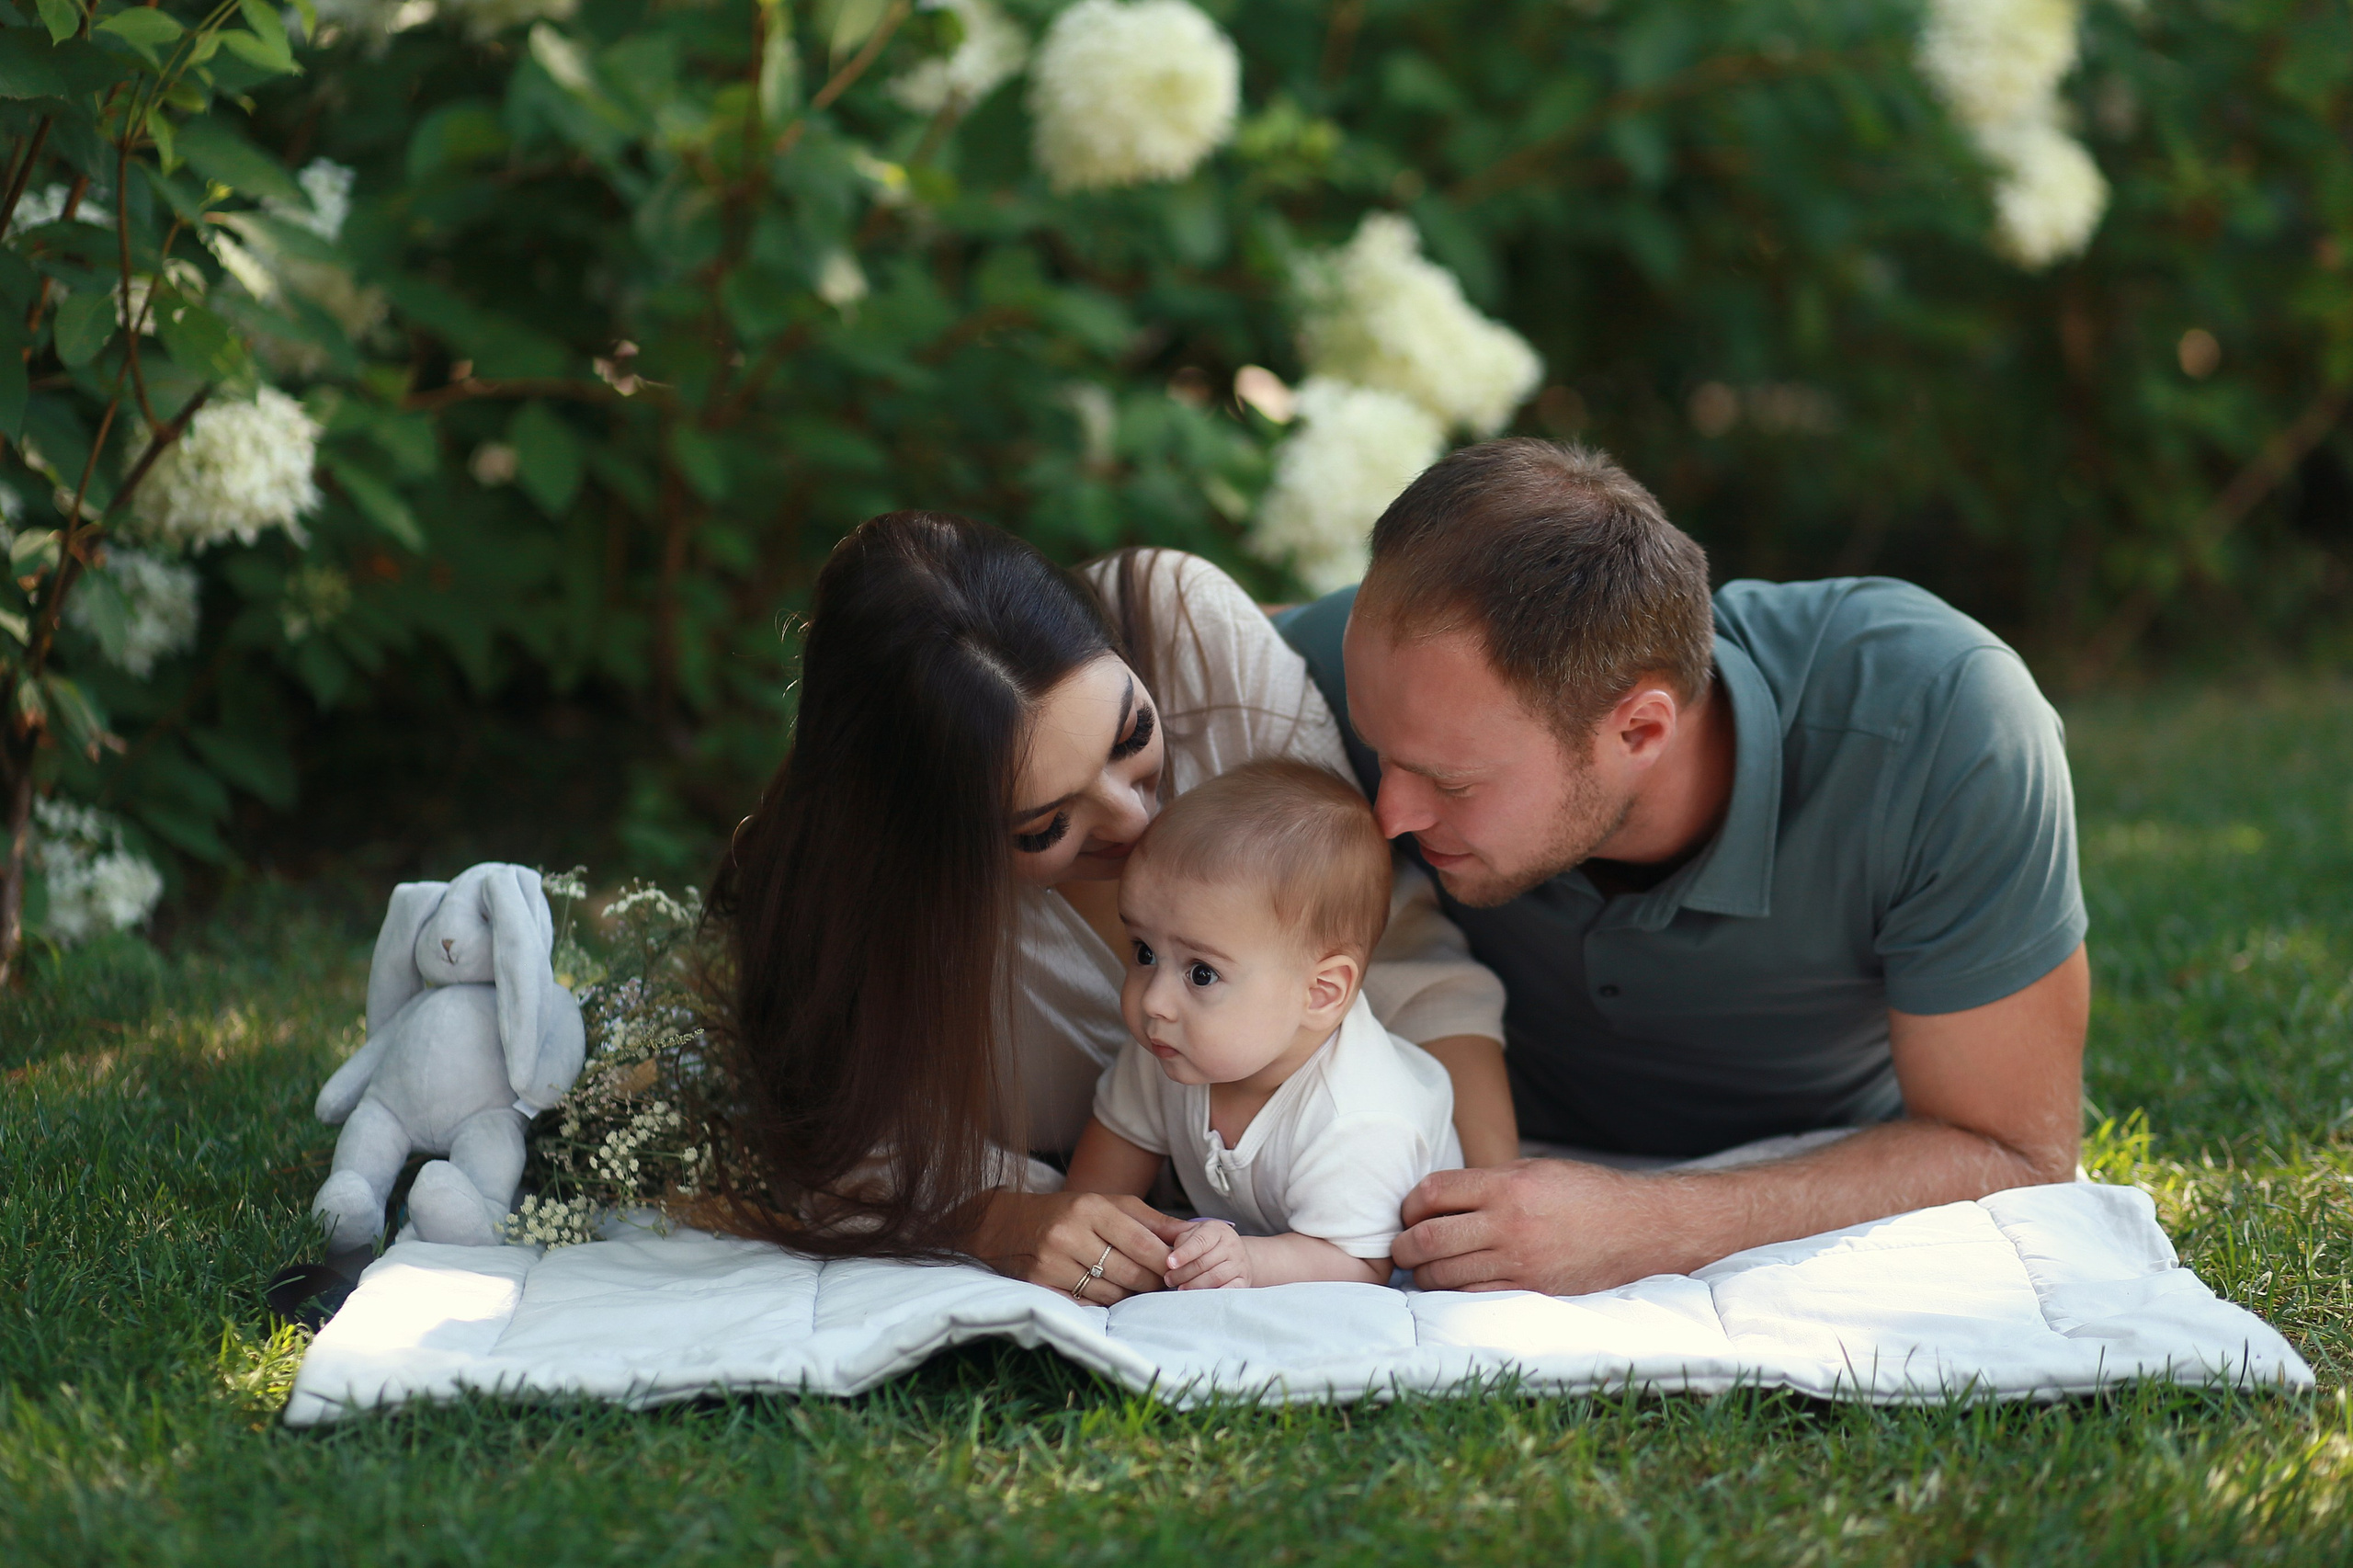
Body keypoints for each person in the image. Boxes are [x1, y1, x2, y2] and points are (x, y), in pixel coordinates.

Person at [1276, 439, 2090, 1296]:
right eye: (1378, 753)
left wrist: (1651, 1225)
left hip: (1822, 1145)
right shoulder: (1398, 674)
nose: (1389, 817)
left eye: (1452, 782)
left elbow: (2017, 1151)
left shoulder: (1941, 726)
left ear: (1640, 731)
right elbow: (1176, 632)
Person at [710, 511, 1511, 1305]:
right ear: (935, 845)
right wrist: (1002, 1220)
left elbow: (1393, 952)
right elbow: (853, 1159)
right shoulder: (865, 925)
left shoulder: (1186, 633)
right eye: (1046, 825)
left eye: (1132, 735)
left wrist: (1494, 1200)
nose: (1140, 822)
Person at [1063, 757, 1463, 1290]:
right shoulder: (1169, 1045)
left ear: (1320, 993)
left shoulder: (1360, 1119)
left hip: (1358, 1244)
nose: (1154, 1000)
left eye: (1201, 973)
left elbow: (1363, 1265)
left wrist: (1249, 1263)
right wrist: (1088, 1235)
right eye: (1143, 951)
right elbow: (1097, 1185)